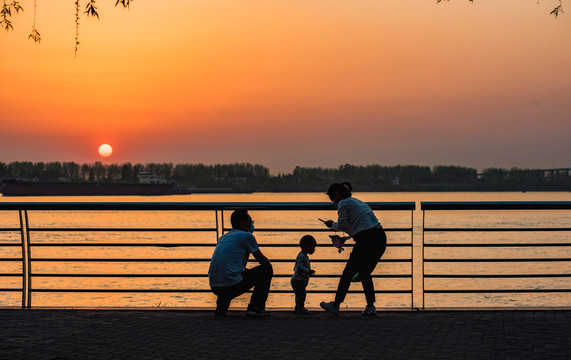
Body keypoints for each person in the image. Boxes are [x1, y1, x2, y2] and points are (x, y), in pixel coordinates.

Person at [320, 182, 387, 316]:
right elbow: (360, 224)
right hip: (379, 237)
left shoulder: (343, 204)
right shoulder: (357, 202)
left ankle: (336, 304)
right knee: (364, 272)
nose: (333, 202)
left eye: (332, 198)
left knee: (348, 272)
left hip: (366, 240)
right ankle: (370, 306)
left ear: (337, 195)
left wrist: (331, 224)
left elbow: (342, 224)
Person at [208, 209, 273, 317]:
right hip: (230, 285)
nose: (251, 224)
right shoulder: (247, 236)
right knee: (266, 269)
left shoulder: (224, 237)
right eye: (250, 221)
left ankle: (221, 307)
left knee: (230, 275)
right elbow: (262, 260)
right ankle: (256, 307)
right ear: (242, 223)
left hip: (215, 286)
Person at [291, 235, 317, 315]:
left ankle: (298, 308)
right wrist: (308, 271)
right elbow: (299, 267)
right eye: (313, 247)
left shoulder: (303, 256)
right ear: (307, 246)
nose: (314, 249)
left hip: (299, 280)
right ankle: (300, 308)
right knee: (301, 295)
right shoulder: (302, 256)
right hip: (299, 280)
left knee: (299, 295)